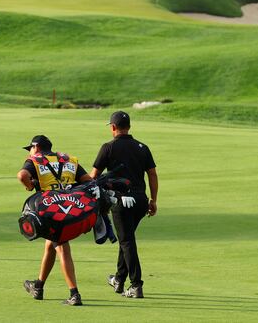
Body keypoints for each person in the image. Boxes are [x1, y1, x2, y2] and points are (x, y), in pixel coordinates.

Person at [18, 134, 92, 306]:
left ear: (35, 148)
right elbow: (88, 181)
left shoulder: (35, 160)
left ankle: (74, 293)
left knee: (61, 247)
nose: (30, 152)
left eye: (30, 149)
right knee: (50, 246)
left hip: (50, 210)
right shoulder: (67, 160)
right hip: (69, 206)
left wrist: (30, 186)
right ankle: (39, 286)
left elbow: (22, 176)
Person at [90, 111, 157, 299]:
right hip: (141, 201)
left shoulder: (108, 148)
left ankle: (136, 285)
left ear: (113, 127)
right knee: (126, 238)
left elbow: (93, 176)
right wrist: (153, 199)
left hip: (121, 201)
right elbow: (152, 174)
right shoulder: (143, 147)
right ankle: (119, 279)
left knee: (127, 241)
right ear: (129, 127)